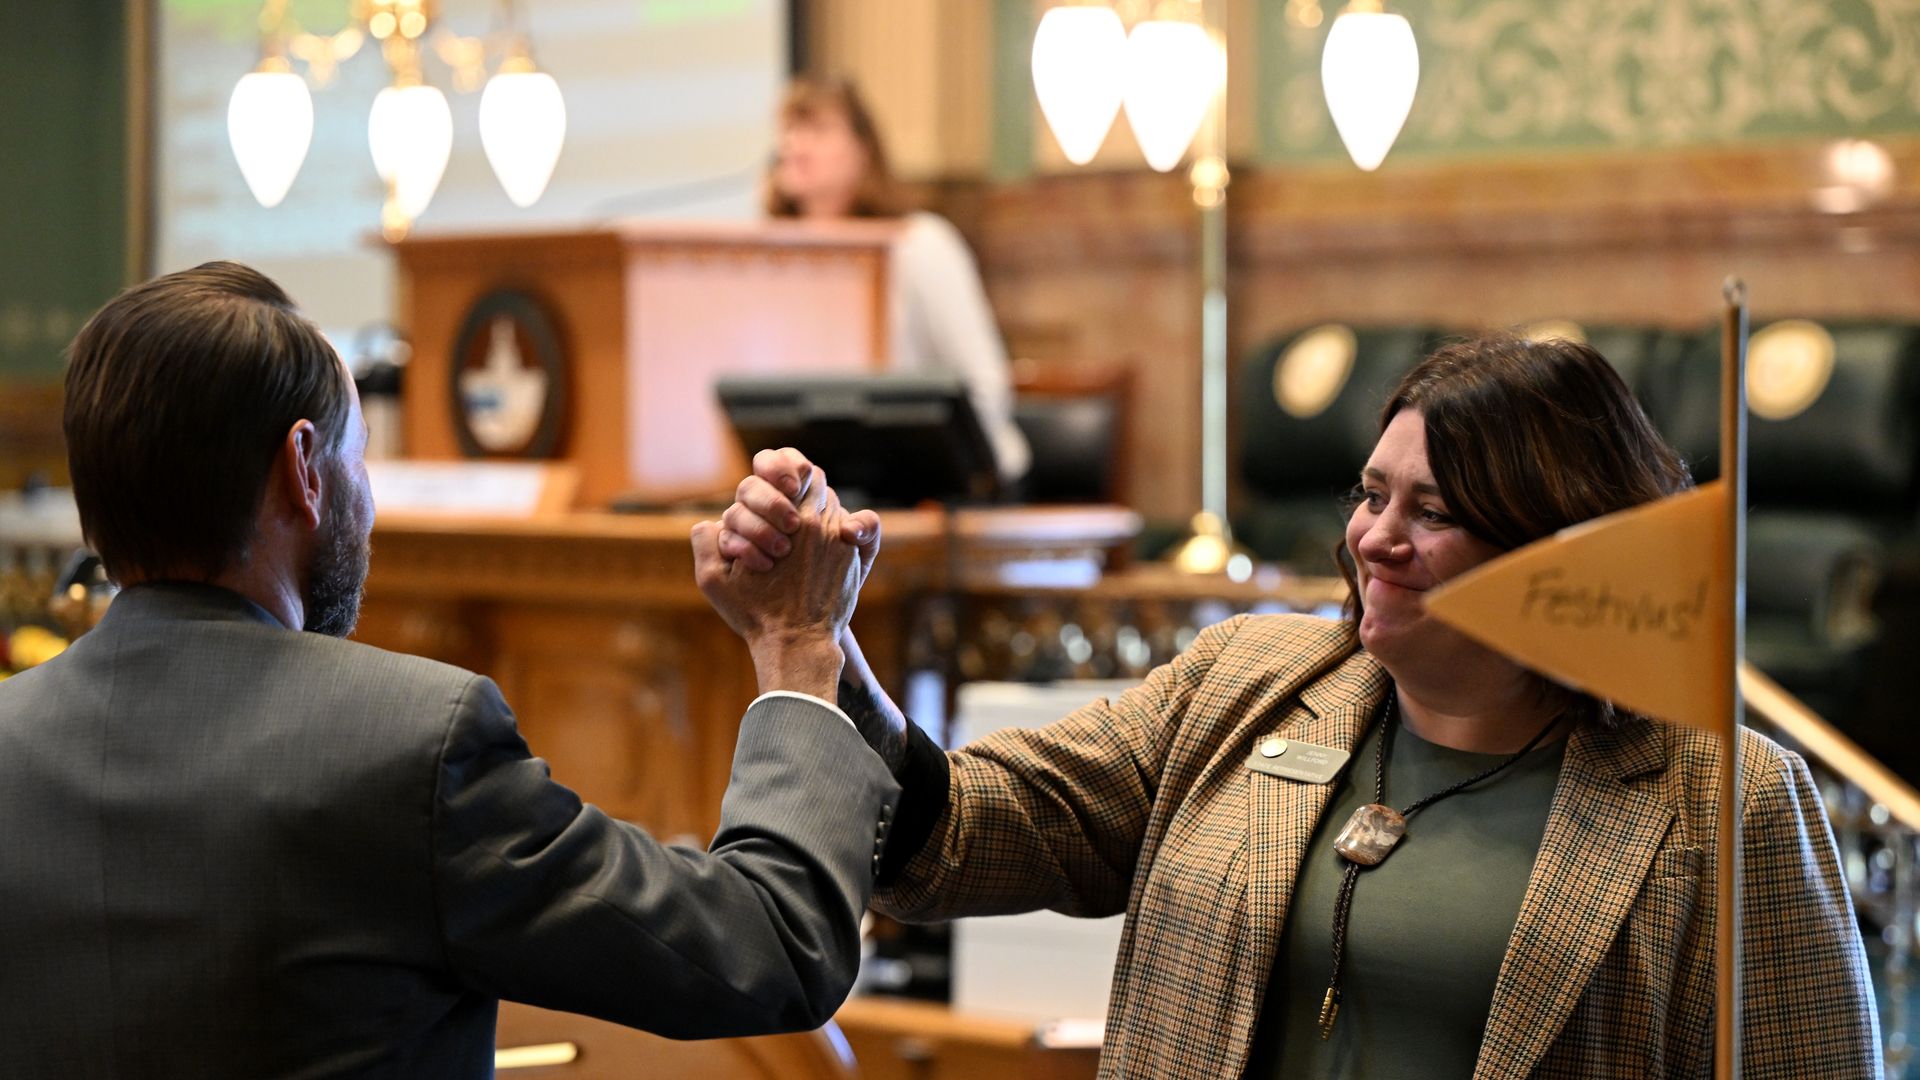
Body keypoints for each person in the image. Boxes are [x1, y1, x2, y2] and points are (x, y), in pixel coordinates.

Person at [718, 336, 1883, 1078]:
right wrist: (817, 648)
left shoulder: (1719, 801)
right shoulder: (1249, 683)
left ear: (1554, 548)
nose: (1374, 538)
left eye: (1431, 511)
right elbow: (963, 826)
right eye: (1372, 493)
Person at [0, 261, 895, 1077]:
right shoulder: (403, 748)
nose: (370, 499)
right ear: (304, 469)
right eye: (360, 457)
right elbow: (772, 948)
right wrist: (798, 646)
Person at [767, 75, 1031, 487]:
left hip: (954, 489)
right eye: (789, 130)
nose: (794, 147)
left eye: (816, 130)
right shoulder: (771, 258)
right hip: (829, 488)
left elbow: (984, 382)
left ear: (863, 150)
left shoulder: (919, 243)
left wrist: (951, 475)